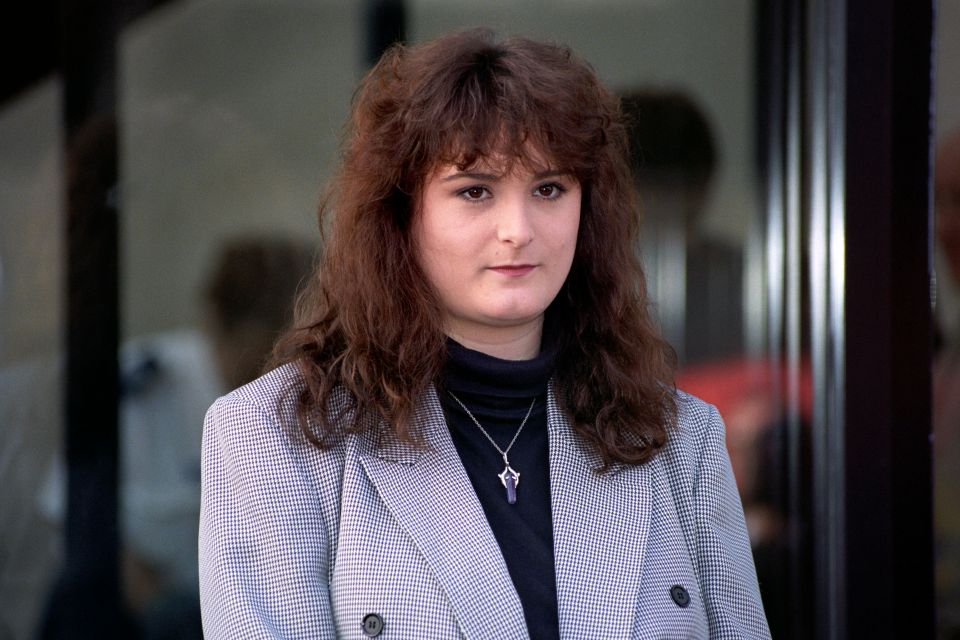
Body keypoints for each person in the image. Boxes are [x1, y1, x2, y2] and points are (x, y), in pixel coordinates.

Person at [199, 29, 770, 639]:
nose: (517, 229)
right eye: (475, 191)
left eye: (549, 188)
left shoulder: (678, 440)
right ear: (400, 214)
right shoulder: (277, 438)